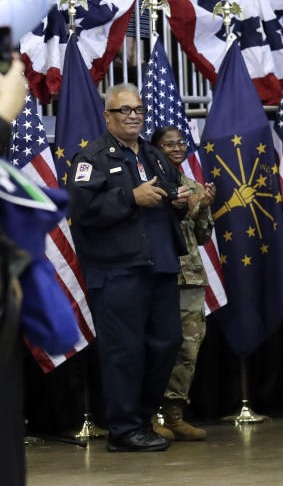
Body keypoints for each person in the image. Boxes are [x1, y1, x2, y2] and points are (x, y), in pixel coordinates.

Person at [67, 84, 190, 452]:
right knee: (126, 351)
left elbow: (167, 194)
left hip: (160, 266)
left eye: (138, 109)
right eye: (124, 110)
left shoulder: (153, 155)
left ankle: (142, 419)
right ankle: (123, 430)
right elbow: (82, 210)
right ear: (108, 116)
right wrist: (129, 197)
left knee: (166, 343)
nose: (134, 115)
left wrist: (179, 201)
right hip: (118, 271)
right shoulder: (92, 157)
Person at [151, 125, 216, 441]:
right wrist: (187, 211)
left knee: (188, 348)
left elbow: (203, 237)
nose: (177, 148)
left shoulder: (192, 185)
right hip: (158, 275)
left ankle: (175, 414)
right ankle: (148, 416)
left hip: (190, 277)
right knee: (156, 346)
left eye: (180, 143)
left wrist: (202, 209)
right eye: (168, 144)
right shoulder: (148, 184)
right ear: (155, 148)